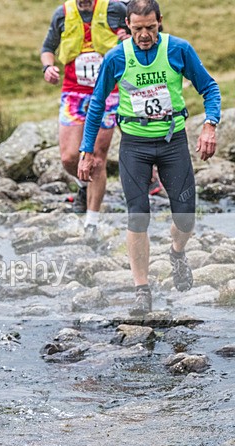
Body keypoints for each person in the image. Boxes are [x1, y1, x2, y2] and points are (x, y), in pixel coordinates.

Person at [78, 0, 220, 315]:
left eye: (150, 28)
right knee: (137, 214)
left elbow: (209, 87)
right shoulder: (116, 57)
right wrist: (87, 152)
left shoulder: (179, 50)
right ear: (128, 25)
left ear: (160, 22)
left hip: (173, 143)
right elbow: (97, 104)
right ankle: (141, 288)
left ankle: (176, 252)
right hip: (134, 146)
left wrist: (210, 124)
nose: (144, 35)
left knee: (186, 215)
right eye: (138, 28)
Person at [41, 0, 129, 238]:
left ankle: (91, 222)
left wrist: (126, 38)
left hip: (108, 91)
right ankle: (83, 187)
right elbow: (47, 48)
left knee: (97, 160)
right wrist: (47, 67)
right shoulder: (62, 13)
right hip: (74, 93)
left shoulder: (115, 9)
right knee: (69, 157)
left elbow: (142, 33)